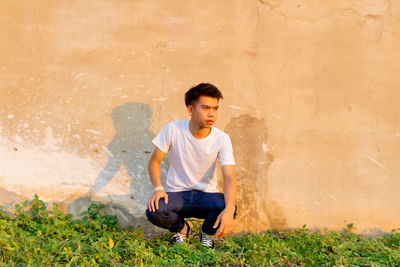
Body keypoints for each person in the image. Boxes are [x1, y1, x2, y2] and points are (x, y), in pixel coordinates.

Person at [146, 83, 237, 249]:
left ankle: (206, 233)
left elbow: (230, 176)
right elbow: (154, 161)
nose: (212, 114)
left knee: (229, 206)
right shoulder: (173, 129)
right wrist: (157, 188)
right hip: (178, 194)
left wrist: (230, 210)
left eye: (215, 108)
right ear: (190, 110)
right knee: (155, 210)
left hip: (206, 196)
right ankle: (182, 229)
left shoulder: (222, 139)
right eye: (205, 108)